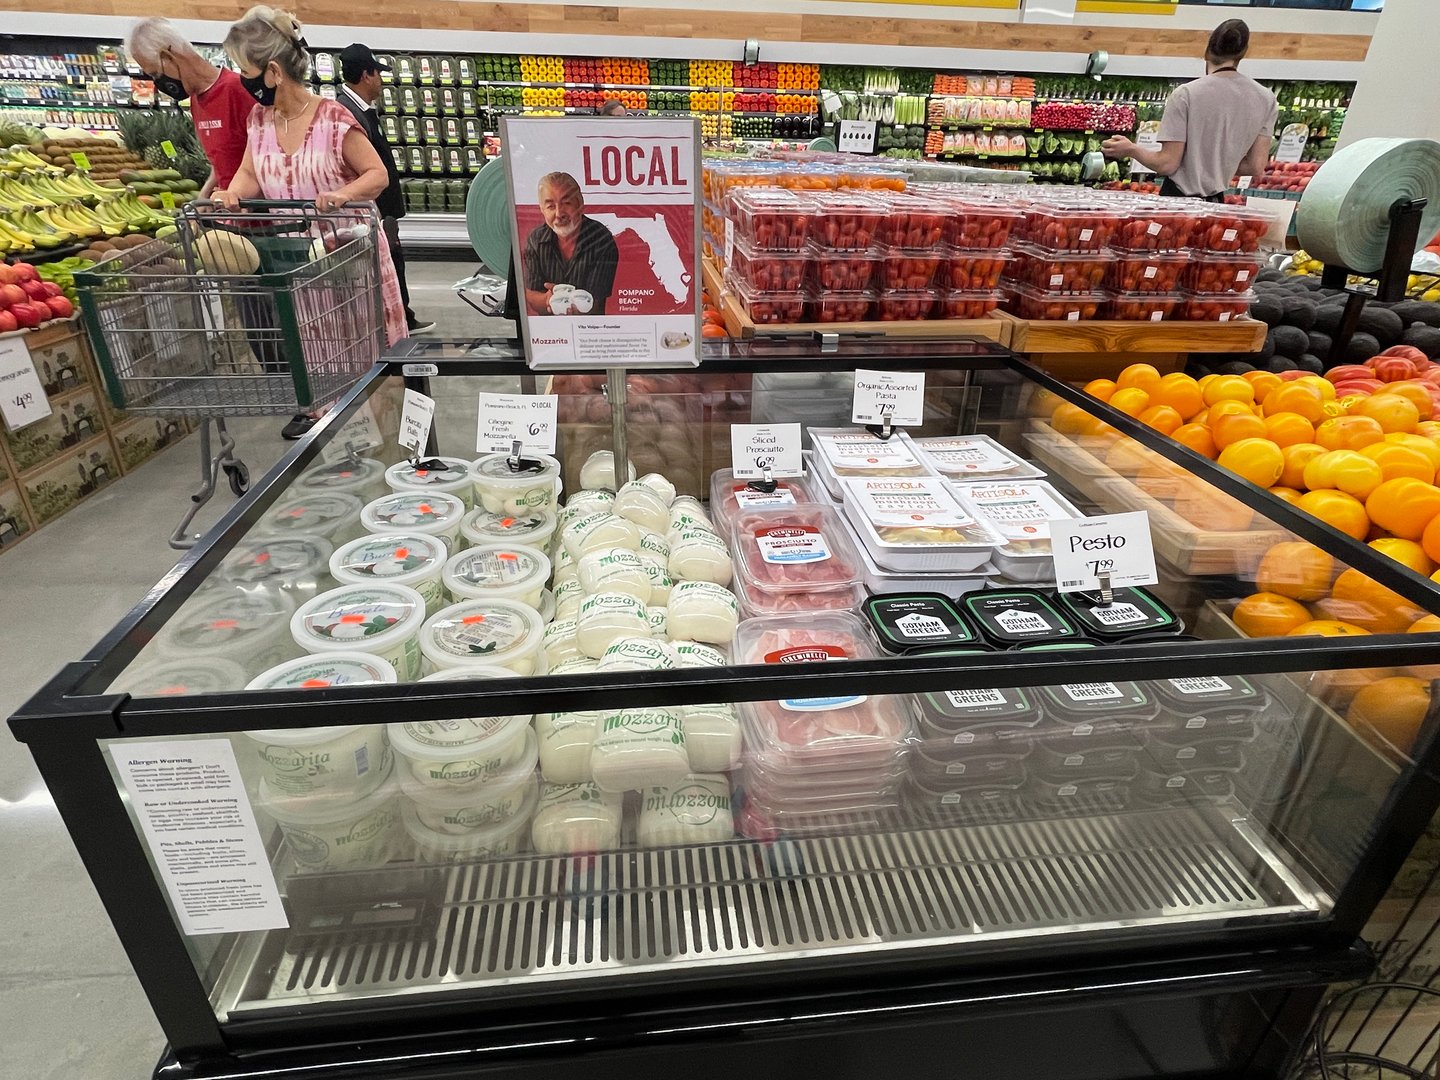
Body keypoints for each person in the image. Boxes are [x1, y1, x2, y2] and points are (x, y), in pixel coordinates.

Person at [213, 7, 408, 437]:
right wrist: (231, 193)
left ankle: (388, 444)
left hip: (351, 264)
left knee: (367, 359)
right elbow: (249, 175)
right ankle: (345, 444)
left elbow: (377, 175)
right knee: (321, 358)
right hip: (301, 266)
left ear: (274, 71)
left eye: (245, 70)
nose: (241, 79)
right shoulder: (258, 121)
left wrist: (343, 194)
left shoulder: (333, 118)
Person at [1101, 19, 1277, 201]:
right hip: (1216, 204)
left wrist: (1131, 149)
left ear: (1206, 52)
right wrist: (1217, 163)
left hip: (1177, 202)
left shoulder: (1186, 94)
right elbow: (1255, 167)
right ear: (1243, 53)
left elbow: (1167, 164)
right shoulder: (1266, 99)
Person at [337, 43, 434, 335]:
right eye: (377, 72)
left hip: (381, 209)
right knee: (388, 263)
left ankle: (403, 316)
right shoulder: (347, 114)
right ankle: (398, 322)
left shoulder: (361, 110)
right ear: (366, 75)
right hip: (371, 209)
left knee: (394, 262)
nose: (381, 79)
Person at [125, 18, 255, 196]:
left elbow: (265, 159)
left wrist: (237, 198)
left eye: (155, 73)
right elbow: (220, 164)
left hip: (257, 214)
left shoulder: (238, 90)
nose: (158, 83)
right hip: (231, 213)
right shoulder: (196, 101)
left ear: (168, 57)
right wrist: (203, 199)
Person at [521, 172, 620, 317]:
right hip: (548, 334)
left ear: (580, 204)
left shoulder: (601, 239)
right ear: (542, 209)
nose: (559, 213)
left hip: (591, 333)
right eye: (550, 206)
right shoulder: (535, 239)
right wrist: (547, 300)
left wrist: (569, 302)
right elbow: (531, 294)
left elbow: (595, 302)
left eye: (566, 203)